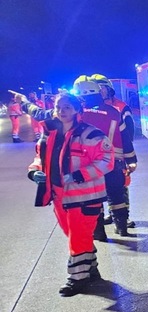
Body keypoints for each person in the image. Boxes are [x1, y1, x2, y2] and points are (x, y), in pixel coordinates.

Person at [23, 92, 114, 296]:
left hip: (85, 196)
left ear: (76, 110)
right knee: (74, 235)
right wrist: (35, 170)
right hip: (58, 195)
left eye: (67, 107)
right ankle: (90, 269)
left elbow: (107, 160)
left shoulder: (91, 134)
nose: (61, 111)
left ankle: (77, 279)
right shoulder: (49, 134)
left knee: (78, 236)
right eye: (58, 107)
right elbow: (40, 157)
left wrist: (80, 175)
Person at [72, 75, 133, 238]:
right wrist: (131, 160)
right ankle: (122, 228)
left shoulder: (77, 115)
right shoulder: (113, 112)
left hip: (88, 167)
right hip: (112, 163)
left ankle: (99, 233)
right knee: (117, 196)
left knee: (93, 198)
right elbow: (125, 137)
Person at [89, 74, 138, 230]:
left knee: (120, 189)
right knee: (99, 191)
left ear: (109, 90)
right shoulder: (90, 108)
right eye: (98, 89)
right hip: (97, 160)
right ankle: (105, 218)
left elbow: (128, 134)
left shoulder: (120, 107)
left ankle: (123, 218)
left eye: (102, 88)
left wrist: (128, 158)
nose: (100, 91)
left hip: (116, 157)